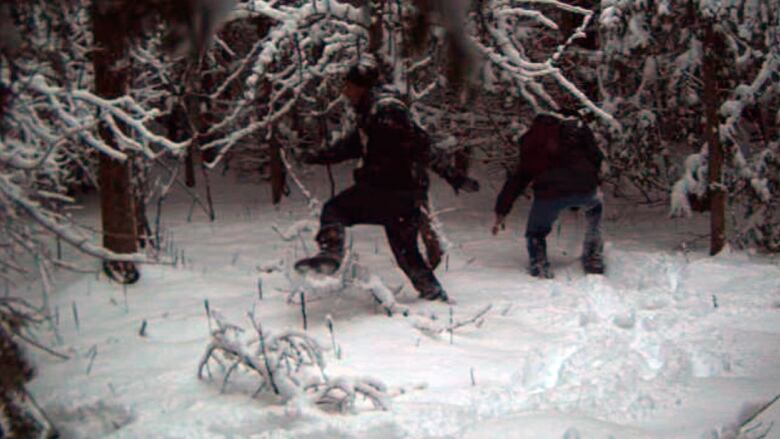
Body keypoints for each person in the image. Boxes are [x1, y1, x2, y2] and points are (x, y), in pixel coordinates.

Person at [295, 57, 480, 302]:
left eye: (348, 86)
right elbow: (352, 146)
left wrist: (452, 176)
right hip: (405, 195)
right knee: (407, 253)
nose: (345, 92)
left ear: (361, 86)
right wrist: (314, 156)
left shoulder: (386, 111)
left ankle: (331, 255)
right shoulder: (373, 111)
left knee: (335, 210)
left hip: (388, 189)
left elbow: (420, 145)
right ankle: (435, 297)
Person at [492, 111, 605, 279]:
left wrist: (501, 210)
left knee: (536, 232)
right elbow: (597, 157)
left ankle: (539, 265)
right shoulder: (577, 131)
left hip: (550, 194)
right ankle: (593, 255)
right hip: (585, 188)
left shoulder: (532, 140)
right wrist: (590, 179)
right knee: (595, 208)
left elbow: (519, 178)